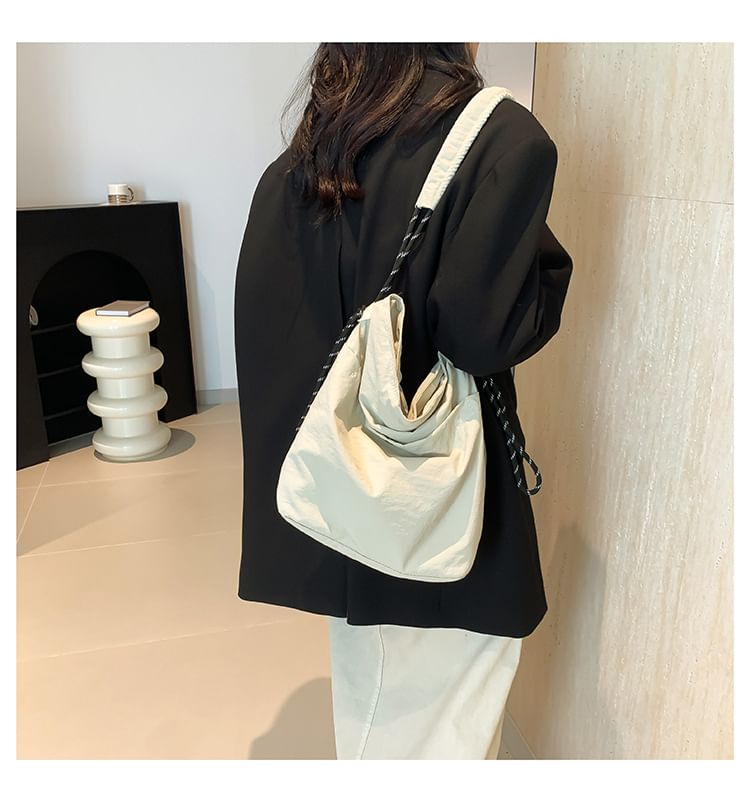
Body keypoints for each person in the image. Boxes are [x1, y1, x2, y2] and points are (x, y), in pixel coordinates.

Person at [233, 43, 573, 759]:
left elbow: (270, 328)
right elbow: (484, 335)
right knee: (436, 728)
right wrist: (545, 268)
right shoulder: (501, 138)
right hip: (432, 505)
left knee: (379, 708)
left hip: (346, 495)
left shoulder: (314, 148)